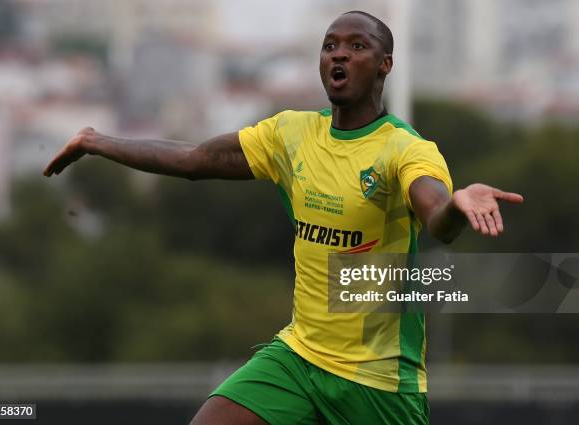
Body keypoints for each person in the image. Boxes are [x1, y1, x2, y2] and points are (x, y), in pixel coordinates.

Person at [44, 10, 523, 425]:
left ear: (385, 65)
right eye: (329, 45)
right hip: (299, 358)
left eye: (357, 46)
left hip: (376, 380)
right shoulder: (290, 134)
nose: (339, 55)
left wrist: (457, 206)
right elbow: (193, 159)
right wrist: (96, 141)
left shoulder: (405, 148)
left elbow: (436, 214)